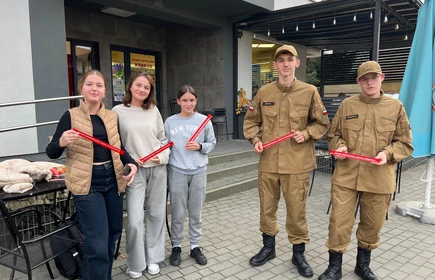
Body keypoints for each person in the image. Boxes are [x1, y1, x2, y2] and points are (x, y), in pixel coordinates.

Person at [318, 61, 414, 280]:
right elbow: (333, 134)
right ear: (358, 82)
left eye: (374, 77)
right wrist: (338, 146)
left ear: (382, 77)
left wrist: (388, 153)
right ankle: (335, 267)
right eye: (364, 79)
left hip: (379, 177)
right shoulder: (347, 105)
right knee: (339, 223)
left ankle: (362, 266)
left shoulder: (396, 107)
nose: (369, 82)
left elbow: (405, 143)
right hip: (346, 176)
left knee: (372, 223)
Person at [243, 45, 330, 277]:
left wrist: (308, 133)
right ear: (275, 65)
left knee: (296, 211)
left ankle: (298, 253)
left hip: (297, 164)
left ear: (297, 63)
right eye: (280, 60)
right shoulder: (264, 92)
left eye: (289, 59)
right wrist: (256, 139)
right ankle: (268, 248)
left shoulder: (310, 91)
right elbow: (251, 122)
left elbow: (322, 123)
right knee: (267, 209)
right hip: (269, 163)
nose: (284, 64)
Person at [46, 70, 138, 280]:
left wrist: (131, 164)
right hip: (88, 184)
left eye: (99, 85)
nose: (94, 88)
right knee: (96, 242)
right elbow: (51, 151)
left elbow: (118, 147)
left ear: (105, 91)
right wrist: (61, 142)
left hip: (114, 180)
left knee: (112, 234)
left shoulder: (111, 116)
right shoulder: (70, 116)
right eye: (89, 84)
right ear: (82, 89)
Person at [112, 72, 169, 278]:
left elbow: (163, 139)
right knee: (135, 220)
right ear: (130, 86)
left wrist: (161, 157)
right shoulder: (118, 111)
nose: (142, 90)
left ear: (150, 91)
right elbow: (115, 143)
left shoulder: (153, 110)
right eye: (138, 85)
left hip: (157, 168)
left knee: (156, 214)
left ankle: (153, 258)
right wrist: (128, 162)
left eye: (146, 87)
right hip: (134, 171)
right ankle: (135, 262)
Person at [164, 85, 216, 266]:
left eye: (191, 100)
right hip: (177, 171)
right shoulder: (170, 122)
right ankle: (176, 246)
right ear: (178, 101)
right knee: (177, 213)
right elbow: (164, 145)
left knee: (196, 212)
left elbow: (212, 143)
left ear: (196, 101)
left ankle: (195, 246)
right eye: (184, 100)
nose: (188, 103)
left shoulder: (204, 121)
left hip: (199, 171)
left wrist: (200, 147)